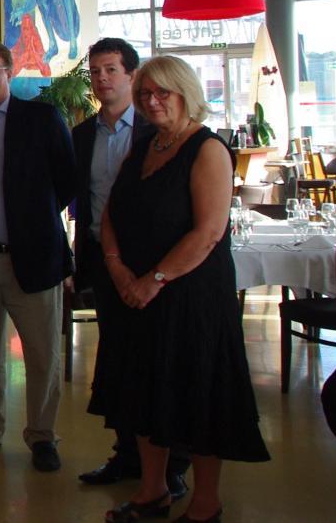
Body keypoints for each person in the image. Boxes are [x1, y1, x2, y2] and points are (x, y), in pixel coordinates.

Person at [93, 56, 268, 523]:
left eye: (162, 93)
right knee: (147, 395)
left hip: (192, 297)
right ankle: (153, 491)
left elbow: (209, 232)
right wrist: (117, 268)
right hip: (137, 293)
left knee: (199, 398)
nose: (151, 100)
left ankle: (206, 501)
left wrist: (153, 281)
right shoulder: (146, 145)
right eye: (146, 92)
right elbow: (112, 213)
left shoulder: (207, 149)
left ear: (186, 94)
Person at [73, 39, 190, 498]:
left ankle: (172, 466)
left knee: (161, 364)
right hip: (107, 264)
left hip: (154, 268)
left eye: (111, 70)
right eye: (96, 71)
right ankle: (126, 455)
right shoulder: (83, 134)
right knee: (119, 363)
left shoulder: (159, 130)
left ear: (132, 75)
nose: (102, 78)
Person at [0, 40, 76, 472]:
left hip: (34, 257)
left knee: (43, 352)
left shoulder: (41, 119)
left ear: (9, 72)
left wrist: (33, 222)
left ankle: (42, 435)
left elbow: (67, 181)